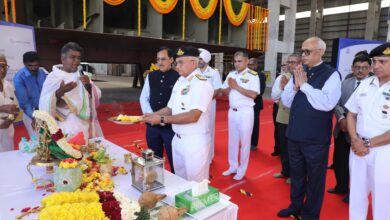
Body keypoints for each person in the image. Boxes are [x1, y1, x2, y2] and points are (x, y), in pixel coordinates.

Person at [278, 37, 341, 219]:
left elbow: (327, 103)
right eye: (302, 51)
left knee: (315, 180)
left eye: (307, 52)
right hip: (295, 135)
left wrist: (304, 86)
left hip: (315, 139)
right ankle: (295, 206)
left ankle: (310, 215)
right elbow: (287, 102)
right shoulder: (300, 71)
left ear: (320, 52)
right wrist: (295, 87)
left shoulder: (331, 74)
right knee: (297, 176)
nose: (303, 56)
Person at [143, 47, 213, 182]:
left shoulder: (201, 83)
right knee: (180, 182)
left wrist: (161, 119)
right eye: (176, 63)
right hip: (178, 140)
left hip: (194, 142)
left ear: (193, 63)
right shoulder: (181, 81)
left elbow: (194, 116)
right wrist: (151, 116)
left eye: (181, 62)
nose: (177, 66)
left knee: (195, 186)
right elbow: (170, 108)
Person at [345, 43, 390, 220]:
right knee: (356, 194)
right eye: (374, 61)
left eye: (382, 62)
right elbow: (351, 114)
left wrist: (367, 144)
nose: (376, 66)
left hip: (384, 152)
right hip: (358, 148)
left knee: (383, 199)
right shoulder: (365, 84)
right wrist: (355, 139)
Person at [328, 51, 373, 202]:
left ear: (370, 69)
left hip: (362, 133)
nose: (360, 70)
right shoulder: (345, 83)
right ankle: (341, 186)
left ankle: (355, 194)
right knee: (340, 160)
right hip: (342, 129)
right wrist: (341, 118)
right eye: (357, 67)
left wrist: (354, 123)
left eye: (364, 67)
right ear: (352, 68)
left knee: (358, 165)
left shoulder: (375, 85)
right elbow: (337, 102)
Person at [39, 42, 103, 142]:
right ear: (63, 59)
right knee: (68, 155)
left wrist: (89, 86)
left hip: (82, 125)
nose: (76, 61)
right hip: (63, 125)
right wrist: (59, 92)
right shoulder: (53, 77)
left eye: (79, 58)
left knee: (84, 154)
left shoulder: (83, 76)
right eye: (72, 57)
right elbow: (44, 102)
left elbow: (97, 96)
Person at [221, 51, 260, 181]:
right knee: (232, 141)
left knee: (244, 142)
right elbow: (223, 91)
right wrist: (229, 87)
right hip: (232, 112)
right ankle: (232, 166)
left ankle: (242, 170)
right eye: (235, 61)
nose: (237, 64)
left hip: (245, 112)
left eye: (240, 61)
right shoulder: (231, 74)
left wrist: (236, 86)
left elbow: (254, 94)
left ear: (247, 61)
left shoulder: (253, 75)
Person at [140, 47, 179, 173]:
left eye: (163, 59)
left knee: (174, 159)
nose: (160, 62)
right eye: (158, 59)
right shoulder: (151, 76)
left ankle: (176, 184)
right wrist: (151, 117)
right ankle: (156, 181)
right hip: (152, 127)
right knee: (154, 159)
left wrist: (159, 118)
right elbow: (144, 98)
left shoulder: (179, 77)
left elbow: (177, 104)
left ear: (171, 60)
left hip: (170, 127)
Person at [271, 54, 301, 183]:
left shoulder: (303, 77)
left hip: (296, 118)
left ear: (300, 63)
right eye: (289, 62)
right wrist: (282, 92)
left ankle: (294, 175)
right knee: (283, 146)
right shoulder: (282, 77)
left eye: (293, 62)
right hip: (282, 116)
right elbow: (275, 94)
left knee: (294, 149)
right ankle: (285, 171)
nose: (290, 64)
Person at [13, 51, 47, 137]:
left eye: (36, 65)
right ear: (24, 64)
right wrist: (34, 117)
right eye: (30, 66)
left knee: (50, 139)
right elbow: (24, 103)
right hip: (30, 113)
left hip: (45, 110)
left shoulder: (42, 73)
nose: (33, 68)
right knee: (38, 139)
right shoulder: (19, 78)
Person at [198, 48, 222, 164]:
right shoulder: (195, 72)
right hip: (196, 106)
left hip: (209, 105)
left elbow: (218, 89)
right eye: (198, 58)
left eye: (201, 59)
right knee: (198, 129)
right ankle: (200, 155)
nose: (199, 60)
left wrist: (206, 99)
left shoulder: (213, 73)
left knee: (209, 130)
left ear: (206, 60)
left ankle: (209, 157)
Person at [0, 54, 18, 152]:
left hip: (8, 129)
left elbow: (15, 108)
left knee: (9, 158)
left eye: (4, 66)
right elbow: (6, 108)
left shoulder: (8, 85)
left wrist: (9, 120)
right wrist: (2, 108)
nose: (2, 69)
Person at [248, 58, 266, 151]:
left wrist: (247, 94)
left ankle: (253, 143)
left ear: (255, 65)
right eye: (248, 65)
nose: (249, 67)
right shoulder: (245, 75)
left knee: (254, 124)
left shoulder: (260, 75)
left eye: (251, 65)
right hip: (245, 104)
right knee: (246, 124)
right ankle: (246, 141)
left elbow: (260, 91)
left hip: (255, 104)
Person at [271, 64, 287, 156]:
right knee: (278, 129)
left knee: (286, 131)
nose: (284, 67)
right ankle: (278, 149)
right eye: (283, 65)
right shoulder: (279, 78)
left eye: (287, 64)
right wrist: (278, 102)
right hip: (278, 106)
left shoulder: (296, 77)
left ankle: (285, 152)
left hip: (289, 108)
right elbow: (274, 94)